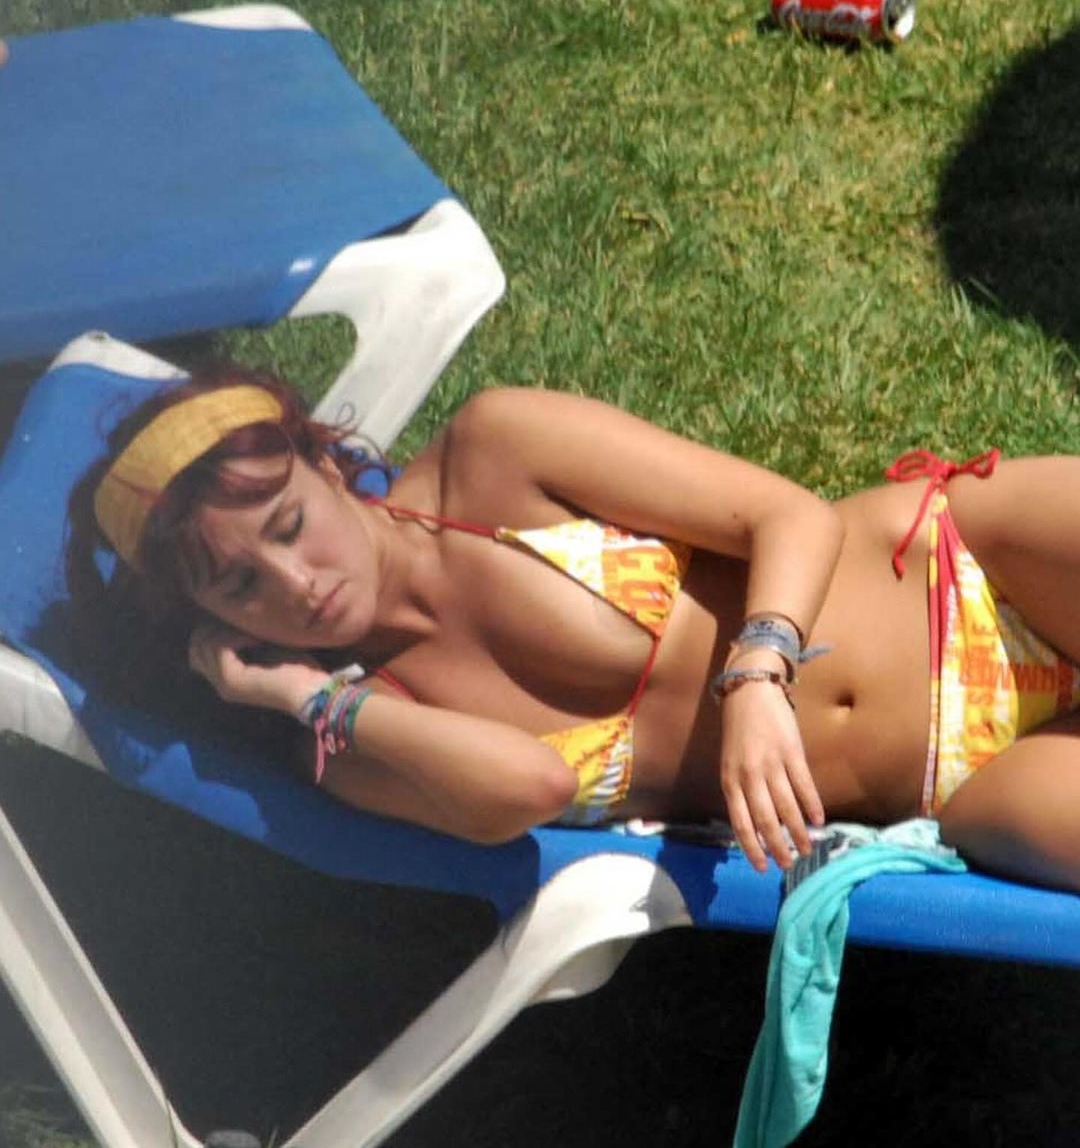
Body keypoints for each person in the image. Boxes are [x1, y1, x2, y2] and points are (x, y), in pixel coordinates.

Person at [67, 368, 1080, 889]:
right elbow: (529, 788)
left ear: (324, 464)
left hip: (967, 568)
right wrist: (299, 693)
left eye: (290, 526)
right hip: (962, 785)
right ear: (207, 625)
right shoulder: (349, 732)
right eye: (239, 587)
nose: (296, 585)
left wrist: (758, 674)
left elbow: (790, 515)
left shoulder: (497, 452)